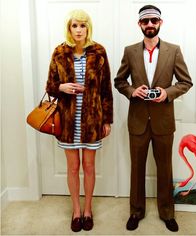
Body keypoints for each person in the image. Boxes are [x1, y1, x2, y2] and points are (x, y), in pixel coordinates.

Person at [114, 5, 192, 232]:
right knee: (136, 169)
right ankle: (136, 211)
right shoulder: (130, 51)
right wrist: (131, 91)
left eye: (153, 21)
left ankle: (167, 213)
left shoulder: (174, 50)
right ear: (139, 24)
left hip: (164, 122)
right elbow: (119, 81)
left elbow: (185, 82)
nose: (150, 24)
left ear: (160, 23)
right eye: (145, 21)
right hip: (137, 121)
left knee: (165, 168)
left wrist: (167, 93)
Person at [46, 9, 113, 232]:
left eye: (82, 26)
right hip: (67, 122)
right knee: (73, 167)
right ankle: (76, 211)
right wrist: (61, 87)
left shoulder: (99, 51)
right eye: (75, 25)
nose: (78, 30)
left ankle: (88, 209)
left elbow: (106, 90)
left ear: (88, 28)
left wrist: (107, 120)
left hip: (93, 121)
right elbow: (50, 87)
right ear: (69, 28)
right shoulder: (59, 52)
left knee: (90, 166)